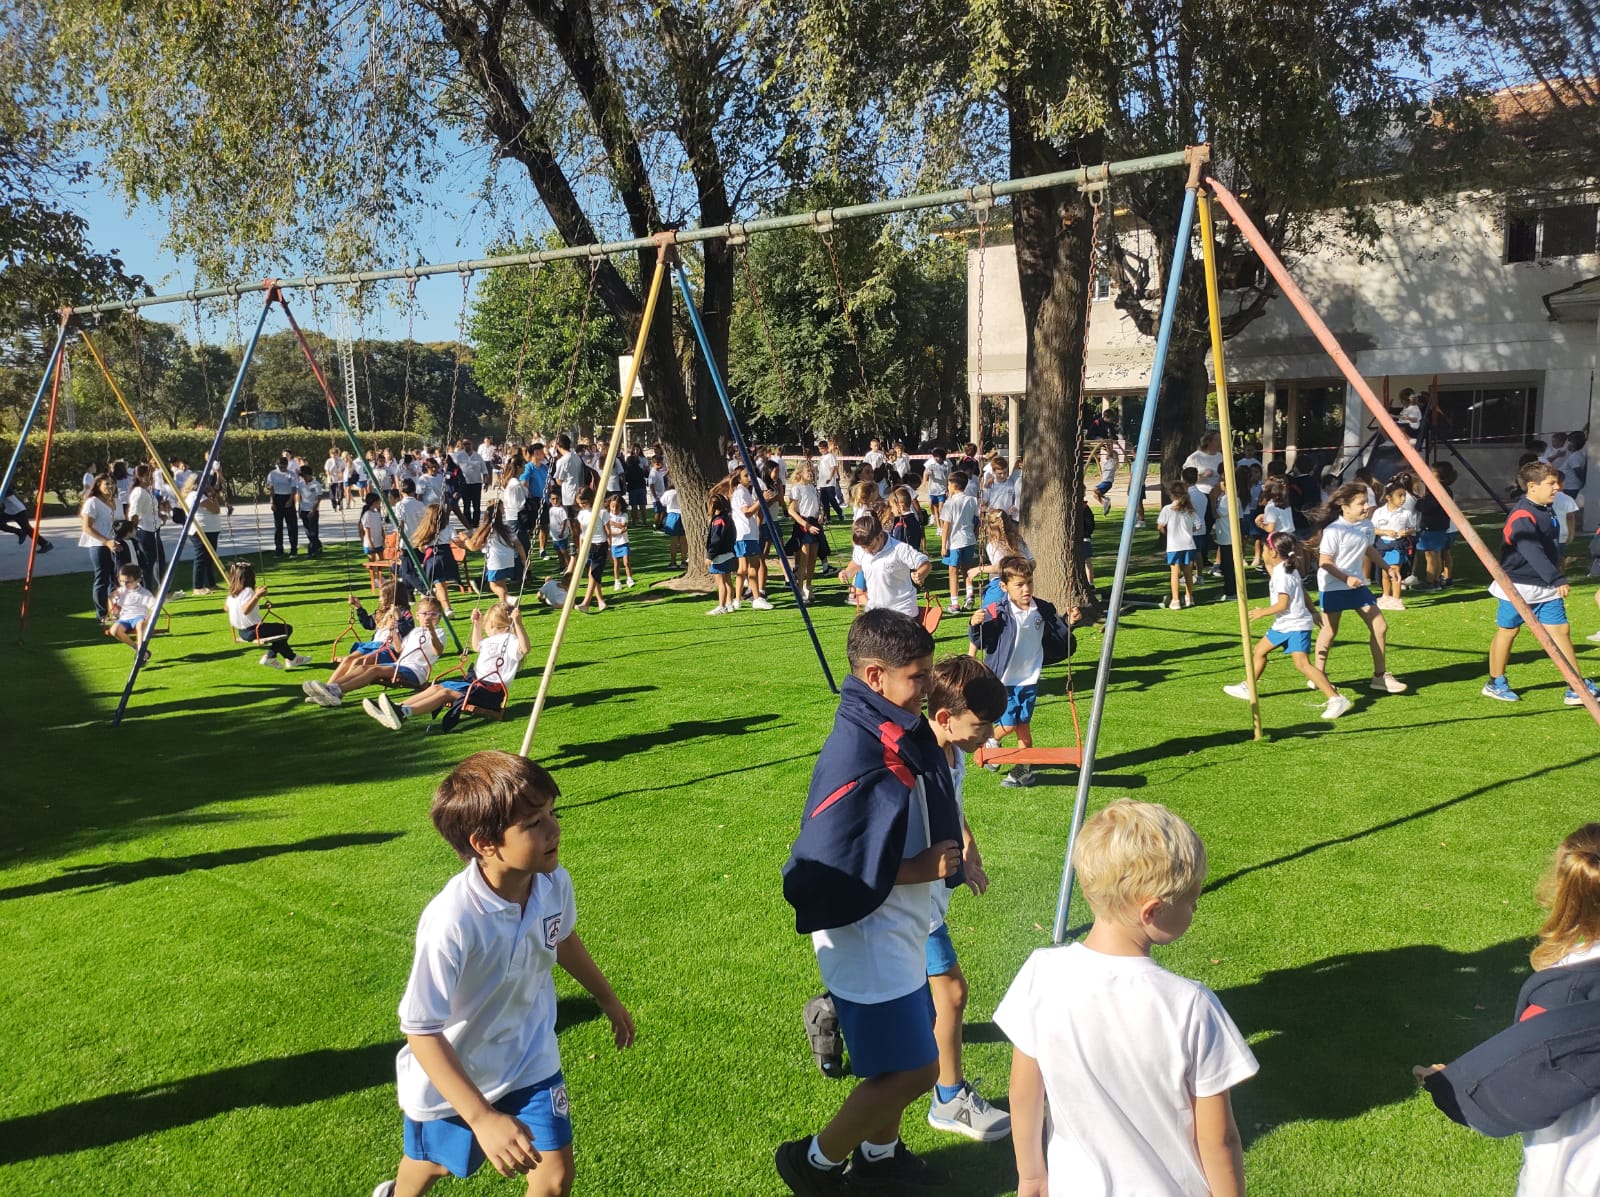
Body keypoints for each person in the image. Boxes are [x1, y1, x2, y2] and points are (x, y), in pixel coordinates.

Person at [370, 752, 633, 1197]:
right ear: (484, 844)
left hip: (531, 1056)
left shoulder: (553, 882)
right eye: (533, 823)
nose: (555, 829)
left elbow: (562, 938)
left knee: (553, 1177)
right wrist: (482, 1118)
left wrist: (606, 998)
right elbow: (420, 1029)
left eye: (553, 813)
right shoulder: (453, 920)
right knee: (430, 1168)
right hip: (454, 1074)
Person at [777, 611, 962, 1193]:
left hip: (898, 926)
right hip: (865, 935)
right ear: (876, 676)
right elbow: (834, 866)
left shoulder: (891, 724)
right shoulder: (863, 750)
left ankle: (881, 1155)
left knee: (897, 1055)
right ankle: (815, 1161)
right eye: (919, 675)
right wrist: (920, 867)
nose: (929, 684)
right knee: (918, 1067)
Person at [996, 800, 1258, 1197]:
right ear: (1151, 911)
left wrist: (1032, 1176)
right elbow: (1219, 1141)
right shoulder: (1192, 1006)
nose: (1196, 907)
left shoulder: (1040, 974)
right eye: (1191, 898)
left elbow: (1024, 1092)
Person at [1417, 823, 1600, 1196]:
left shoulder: (1564, 990)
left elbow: (1520, 1078)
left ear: (1567, 892)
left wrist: (1444, 1082)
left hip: (1571, 1171)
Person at [922, 655, 1012, 1143]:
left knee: (911, 995)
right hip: (914, 907)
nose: (990, 733)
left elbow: (951, 808)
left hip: (929, 900)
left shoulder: (952, 753)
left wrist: (969, 846)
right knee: (952, 994)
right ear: (944, 718)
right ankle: (948, 1098)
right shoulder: (921, 762)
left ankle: (837, 1007)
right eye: (982, 725)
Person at [1482, 461, 1600, 706]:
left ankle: (1575, 685)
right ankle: (1495, 681)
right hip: (1518, 585)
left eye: (1557, 482)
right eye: (1551, 483)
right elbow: (1530, 550)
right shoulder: (1523, 515)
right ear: (1532, 486)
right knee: (1509, 631)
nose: (1557, 487)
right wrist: (1556, 577)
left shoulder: (1546, 508)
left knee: (1561, 631)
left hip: (1545, 587)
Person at [1223, 532, 1352, 719]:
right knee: (1259, 651)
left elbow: (1283, 604)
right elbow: (1302, 592)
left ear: (1274, 552)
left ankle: (1336, 698)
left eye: (1265, 548)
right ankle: (1248, 687)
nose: (1263, 551)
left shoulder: (1283, 575)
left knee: (1302, 664)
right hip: (1285, 624)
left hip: (1294, 625)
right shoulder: (1286, 568)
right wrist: (1313, 611)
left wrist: (1262, 612)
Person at [969, 556, 1064, 788]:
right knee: (1010, 725)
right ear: (1004, 587)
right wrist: (975, 623)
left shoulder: (1042, 609)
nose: (1026, 589)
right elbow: (982, 641)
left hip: (1029, 680)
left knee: (1024, 731)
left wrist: (1069, 622)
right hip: (1004, 680)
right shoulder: (997, 611)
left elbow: (1059, 635)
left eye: (1029, 583)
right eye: (1019, 585)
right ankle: (990, 740)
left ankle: (1024, 771)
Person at [365, 601, 531, 732]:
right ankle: (397, 707)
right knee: (437, 687)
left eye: (487, 623)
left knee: (445, 693)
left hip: (489, 692)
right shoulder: (490, 640)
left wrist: (518, 624)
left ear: (493, 625)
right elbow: (476, 645)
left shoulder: (511, 640)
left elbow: (525, 649)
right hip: (475, 685)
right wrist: (477, 624)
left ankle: (404, 713)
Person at [1310, 483, 1407, 695]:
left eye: (1367, 503)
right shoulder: (1334, 530)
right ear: (1344, 506)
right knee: (1330, 630)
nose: (1366, 507)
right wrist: (1346, 578)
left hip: (1357, 586)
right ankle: (1318, 675)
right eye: (1361, 504)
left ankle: (1380, 676)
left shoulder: (1366, 526)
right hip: (1333, 586)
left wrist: (1387, 567)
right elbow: (1325, 561)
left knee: (1380, 626)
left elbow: (1369, 548)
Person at [839, 511, 932, 619]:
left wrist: (920, 574)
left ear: (880, 535)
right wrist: (847, 572)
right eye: (863, 547)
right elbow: (856, 562)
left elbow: (925, 564)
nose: (867, 550)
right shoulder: (862, 549)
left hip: (902, 612)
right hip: (874, 610)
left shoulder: (899, 549)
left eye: (870, 545)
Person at [225, 561, 310, 668]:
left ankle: (291, 658)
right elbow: (245, 610)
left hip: (242, 632)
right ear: (250, 577)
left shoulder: (232, 594)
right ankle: (270, 657)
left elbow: (226, 608)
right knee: (287, 628)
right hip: (254, 630)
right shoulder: (248, 591)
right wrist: (257, 596)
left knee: (280, 633)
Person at [465, 501, 529, 607]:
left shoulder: (487, 530)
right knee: (501, 584)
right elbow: (518, 544)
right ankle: (504, 605)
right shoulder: (506, 528)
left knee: (493, 586)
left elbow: (473, 547)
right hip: (508, 560)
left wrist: (465, 539)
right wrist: (523, 559)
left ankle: (508, 598)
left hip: (496, 561)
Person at [79, 475, 122, 621]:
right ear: (98, 485)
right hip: (99, 545)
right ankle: (102, 614)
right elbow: (86, 527)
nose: (110, 487)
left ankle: (115, 611)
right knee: (102, 579)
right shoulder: (93, 502)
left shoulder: (117, 501)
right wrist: (106, 541)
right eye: (106, 484)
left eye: (112, 484)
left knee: (116, 579)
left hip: (116, 545)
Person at [1156, 483, 1202, 609]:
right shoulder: (1190, 509)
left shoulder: (1167, 509)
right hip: (1188, 544)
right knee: (1188, 572)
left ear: (1172, 495)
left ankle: (1176, 600)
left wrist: (1166, 533)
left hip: (1174, 545)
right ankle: (1189, 597)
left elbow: (1160, 525)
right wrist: (1190, 531)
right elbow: (1198, 525)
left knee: (1175, 572)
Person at [938, 471, 979, 613]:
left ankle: (954, 603)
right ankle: (969, 593)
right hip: (969, 539)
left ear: (954, 486)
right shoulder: (972, 500)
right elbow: (977, 521)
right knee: (966, 569)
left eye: (948, 484)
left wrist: (943, 546)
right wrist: (975, 535)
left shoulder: (949, 503)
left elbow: (946, 525)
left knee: (953, 571)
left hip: (954, 542)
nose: (947, 487)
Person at [785, 462, 825, 604]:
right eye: (808, 470)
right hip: (804, 523)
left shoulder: (812, 488)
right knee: (804, 557)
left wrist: (820, 514)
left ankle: (808, 585)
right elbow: (791, 510)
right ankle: (800, 588)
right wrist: (806, 525)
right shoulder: (797, 488)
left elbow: (816, 506)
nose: (811, 473)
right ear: (800, 472)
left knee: (813, 557)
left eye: (812, 471)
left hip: (814, 522)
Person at [1414, 463, 1456, 591]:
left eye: (1431, 472)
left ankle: (1430, 581)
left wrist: (1420, 502)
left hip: (1433, 526)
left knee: (1431, 555)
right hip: (1440, 525)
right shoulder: (1444, 489)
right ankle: (1436, 580)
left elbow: (1427, 507)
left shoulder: (1437, 490)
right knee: (1436, 554)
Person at [107, 563, 156, 663]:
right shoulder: (120, 591)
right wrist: (112, 603)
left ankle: (141, 655)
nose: (124, 584)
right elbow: (111, 600)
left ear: (138, 580)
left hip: (139, 617)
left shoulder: (144, 593)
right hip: (125, 618)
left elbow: (154, 607)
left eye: (128, 582)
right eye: (121, 581)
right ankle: (138, 649)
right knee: (114, 630)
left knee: (140, 625)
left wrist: (149, 619)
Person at [183, 475, 224, 594]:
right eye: (204, 483)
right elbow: (215, 509)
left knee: (209, 558)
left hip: (211, 529)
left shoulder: (203, 495)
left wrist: (213, 494)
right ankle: (198, 586)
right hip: (200, 530)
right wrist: (213, 497)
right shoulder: (195, 495)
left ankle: (210, 584)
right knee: (201, 557)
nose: (207, 485)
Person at [573, 489, 610, 615]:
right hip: (588, 546)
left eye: (583, 503)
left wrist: (610, 548)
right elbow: (582, 534)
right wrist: (580, 549)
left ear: (590, 500)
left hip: (600, 545)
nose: (581, 506)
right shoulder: (582, 514)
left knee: (594, 574)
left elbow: (608, 531)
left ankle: (586, 602)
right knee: (592, 574)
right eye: (579, 503)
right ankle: (601, 601)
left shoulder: (601, 512)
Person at [705, 491, 738, 615]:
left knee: (721, 582)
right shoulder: (728, 518)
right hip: (729, 553)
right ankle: (730, 604)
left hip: (720, 555)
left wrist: (710, 555)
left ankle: (721, 606)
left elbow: (715, 540)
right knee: (728, 580)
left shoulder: (718, 521)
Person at [267, 455, 300, 556]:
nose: (283, 468)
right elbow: (271, 489)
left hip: (288, 497)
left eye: (285, 466)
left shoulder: (292, 474)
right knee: (278, 526)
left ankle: (293, 549)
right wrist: (272, 502)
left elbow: (293, 488)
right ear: (277, 465)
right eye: (281, 466)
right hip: (278, 498)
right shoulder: (272, 474)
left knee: (292, 526)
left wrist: (290, 500)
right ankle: (279, 548)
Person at [604, 494, 634, 590]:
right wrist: (616, 532)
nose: (614, 509)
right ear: (609, 506)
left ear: (621, 506)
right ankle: (617, 582)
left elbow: (623, 525)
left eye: (617, 506)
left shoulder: (624, 515)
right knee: (616, 564)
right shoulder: (607, 516)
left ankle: (629, 579)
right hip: (614, 544)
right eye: (612, 506)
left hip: (624, 542)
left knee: (626, 562)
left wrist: (611, 523)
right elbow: (608, 531)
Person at [296, 465, 325, 557]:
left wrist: (313, 509)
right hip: (303, 509)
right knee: (307, 531)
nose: (303, 478)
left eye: (304, 476)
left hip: (312, 510)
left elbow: (318, 498)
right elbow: (299, 496)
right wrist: (299, 508)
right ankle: (318, 545)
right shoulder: (301, 484)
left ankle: (312, 550)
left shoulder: (316, 484)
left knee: (313, 531)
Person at [816, 439, 844, 523]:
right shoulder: (821, 458)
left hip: (829, 482)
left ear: (827, 448)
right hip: (822, 482)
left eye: (823, 448)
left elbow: (833, 467)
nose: (821, 450)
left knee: (831, 498)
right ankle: (828, 517)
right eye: (820, 449)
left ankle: (839, 512)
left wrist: (830, 477)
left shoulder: (830, 456)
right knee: (824, 501)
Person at [660, 481, 685, 571]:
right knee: (683, 540)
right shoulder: (683, 491)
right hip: (682, 515)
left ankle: (673, 562)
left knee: (674, 541)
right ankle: (683, 561)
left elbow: (662, 502)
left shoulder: (668, 493)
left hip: (672, 515)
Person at [923, 447, 949, 518]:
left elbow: (949, 477)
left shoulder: (946, 466)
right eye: (935, 456)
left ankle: (942, 524)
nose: (936, 458)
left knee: (941, 509)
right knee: (934, 507)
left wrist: (948, 488)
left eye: (938, 456)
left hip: (942, 490)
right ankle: (937, 523)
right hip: (933, 490)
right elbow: (926, 472)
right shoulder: (931, 465)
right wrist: (925, 480)